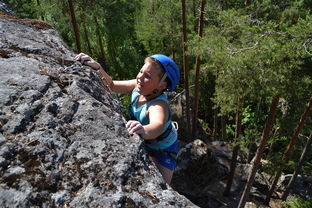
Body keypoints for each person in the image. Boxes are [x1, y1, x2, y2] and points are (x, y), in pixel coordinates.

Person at [74, 53, 180, 184]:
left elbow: (157, 125)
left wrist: (143, 129)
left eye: (148, 76)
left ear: (162, 85)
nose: (140, 77)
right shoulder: (137, 85)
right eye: (141, 71)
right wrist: (97, 68)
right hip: (146, 137)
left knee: (164, 186)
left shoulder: (158, 105)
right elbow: (111, 86)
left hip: (164, 150)